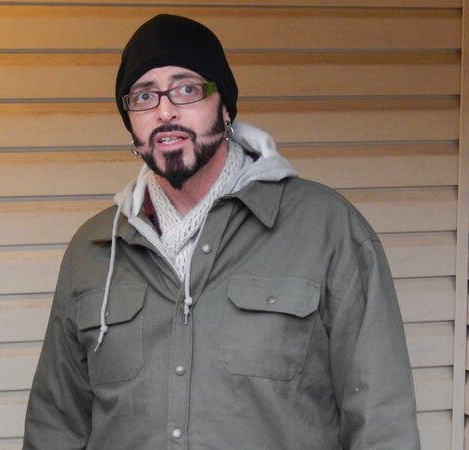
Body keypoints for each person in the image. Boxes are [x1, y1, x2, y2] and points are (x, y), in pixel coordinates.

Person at [24, 14, 420, 449]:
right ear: (130, 122)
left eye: (187, 88)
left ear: (225, 106)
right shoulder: (94, 249)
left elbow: (382, 422)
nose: (165, 110)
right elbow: (55, 426)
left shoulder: (327, 230)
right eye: (144, 96)